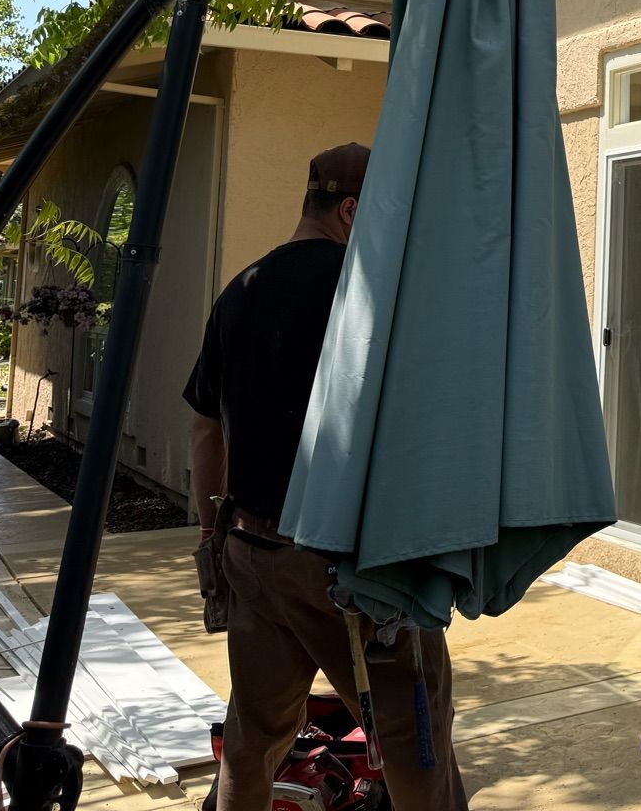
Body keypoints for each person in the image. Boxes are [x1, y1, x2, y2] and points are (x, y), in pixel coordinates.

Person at [185, 144, 468, 811]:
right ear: (351, 209)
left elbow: (204, 427)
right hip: (352, 574)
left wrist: (210, 538)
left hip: (253, 557)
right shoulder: (367, 297)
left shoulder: (239, 292)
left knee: (253, 741)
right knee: (415, 740)